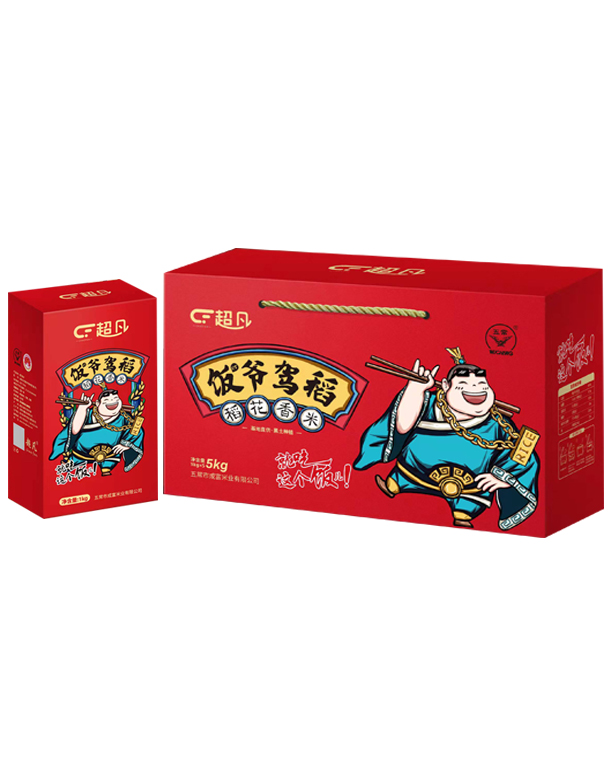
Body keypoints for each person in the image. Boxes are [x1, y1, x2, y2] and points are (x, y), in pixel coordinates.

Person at [354, 349, 539, 530]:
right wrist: (414, 392)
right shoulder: (426, 403)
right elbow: (401, 427)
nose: (476, 390)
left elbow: (523, 452)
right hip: (413, 472)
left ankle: (463, 512)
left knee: (468, 505)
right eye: (464, 384)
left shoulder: (498, 423)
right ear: (445, 385)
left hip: (469, 488)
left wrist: (505, 479)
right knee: (400, 479)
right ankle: (395, 485)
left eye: (482, 384)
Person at [50, 389, 144, 476]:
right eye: (106, 400)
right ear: (98, 403)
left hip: (110, 455)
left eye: (116, 399)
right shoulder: (88, 414)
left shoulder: (123, 417)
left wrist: (126, 445)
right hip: (81, 454)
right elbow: (74, 431)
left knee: (109, 467)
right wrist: (82, 409)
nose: (112, 402)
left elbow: (137, 428)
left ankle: (106, 467)